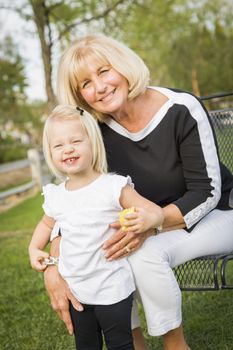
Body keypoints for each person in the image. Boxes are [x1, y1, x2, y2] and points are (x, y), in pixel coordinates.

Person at [43, 34, 233, 350]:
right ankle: (131, 344)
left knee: (143, 251)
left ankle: (175, 345)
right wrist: (54, 265)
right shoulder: (95, 133)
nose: (99, 87)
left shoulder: (181, 108)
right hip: (151, 225)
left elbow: (207, 192)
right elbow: (74, 200)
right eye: (85, 84)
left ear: (123, 65)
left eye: (104, 71)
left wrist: (156, 221)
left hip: (220, 214)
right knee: (108, 247)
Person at [28, 105, 164, 350]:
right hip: (77, 290)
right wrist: (34, 248)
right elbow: (47, 223)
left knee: (120, 344)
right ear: (50, 153)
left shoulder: (113, 186)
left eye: (75, 141)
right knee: (86, 345)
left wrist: (147, 220)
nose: (67, 148)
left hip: (111, 287)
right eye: (58, 145)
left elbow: (153, 210)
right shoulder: (56, 195)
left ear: (92, 143)